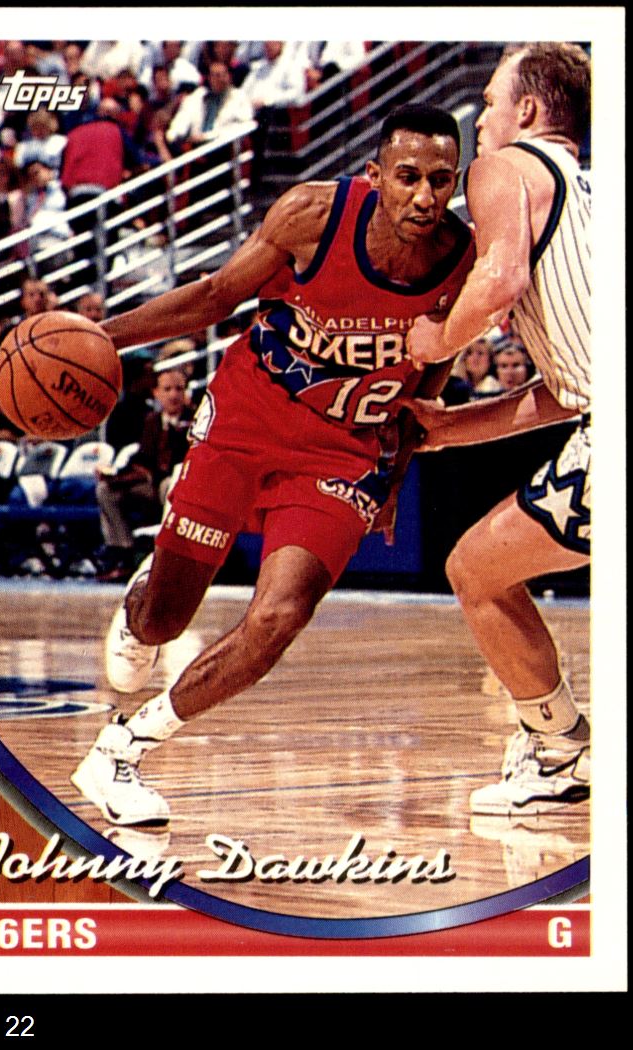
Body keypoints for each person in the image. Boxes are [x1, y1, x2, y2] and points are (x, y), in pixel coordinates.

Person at [71, 104, 476, 826]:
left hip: (344, 450)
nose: (424, 196)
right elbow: (214, 297)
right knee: (163, 622)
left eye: (440, 181)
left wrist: (395, 472)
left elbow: (432, 371)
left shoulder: (461, 258)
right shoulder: (312, 215)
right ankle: (142, 605)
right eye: (408, 176)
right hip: (247, 415)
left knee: (281, 614)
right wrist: (97, 337)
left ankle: (122, 750)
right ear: (374, 174)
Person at [404, 43, 591, 816]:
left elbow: (499, 278)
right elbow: (567, 392)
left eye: (486, 102)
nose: (477, 119)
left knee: (477, 572)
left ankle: (559, 748)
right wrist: (449, 428)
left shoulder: (503, 168)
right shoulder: (587, 192)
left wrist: (433, 340)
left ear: (527, 110)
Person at [95, 367, 194, 582]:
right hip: (152, 485)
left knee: (170, 484)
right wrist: (114, 475)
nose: (174, 395)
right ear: (156, 393)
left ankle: (174, 556)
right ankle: (123, 551)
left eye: (179, 389)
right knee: (105, 490)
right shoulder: (151, 421)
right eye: (167, 389)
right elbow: (143, 458)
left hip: (181, 485)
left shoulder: (195, 421)